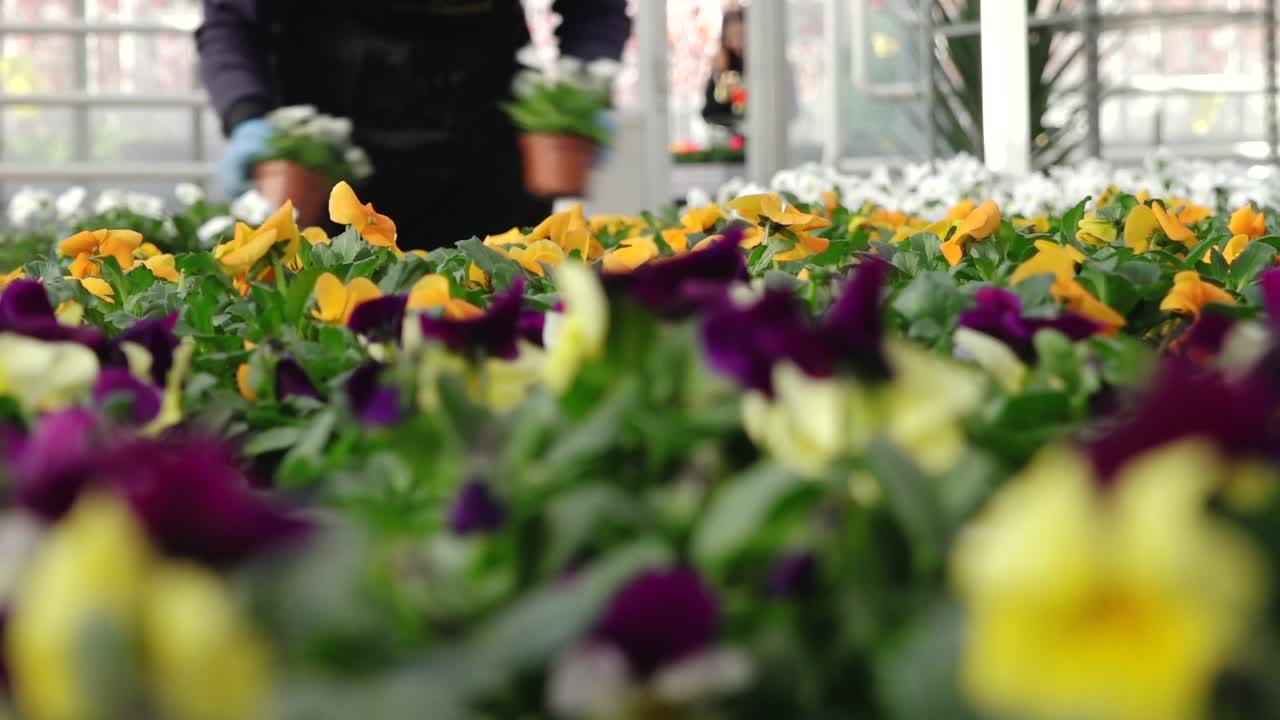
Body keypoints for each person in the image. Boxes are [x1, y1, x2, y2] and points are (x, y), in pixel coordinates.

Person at [197, 1, 630, 249]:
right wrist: (245, 114)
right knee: (341, 320)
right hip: (335, 117)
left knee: (499, 306)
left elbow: (596, 7)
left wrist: (587, 81)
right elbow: (232, 18)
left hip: (484, 124)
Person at [702, 8, 745, 133]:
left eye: (740, 34)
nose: (737, 39)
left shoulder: (755, 64)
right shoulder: (722, 65)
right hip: (729, 132)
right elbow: (709, 111)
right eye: (733, 34)